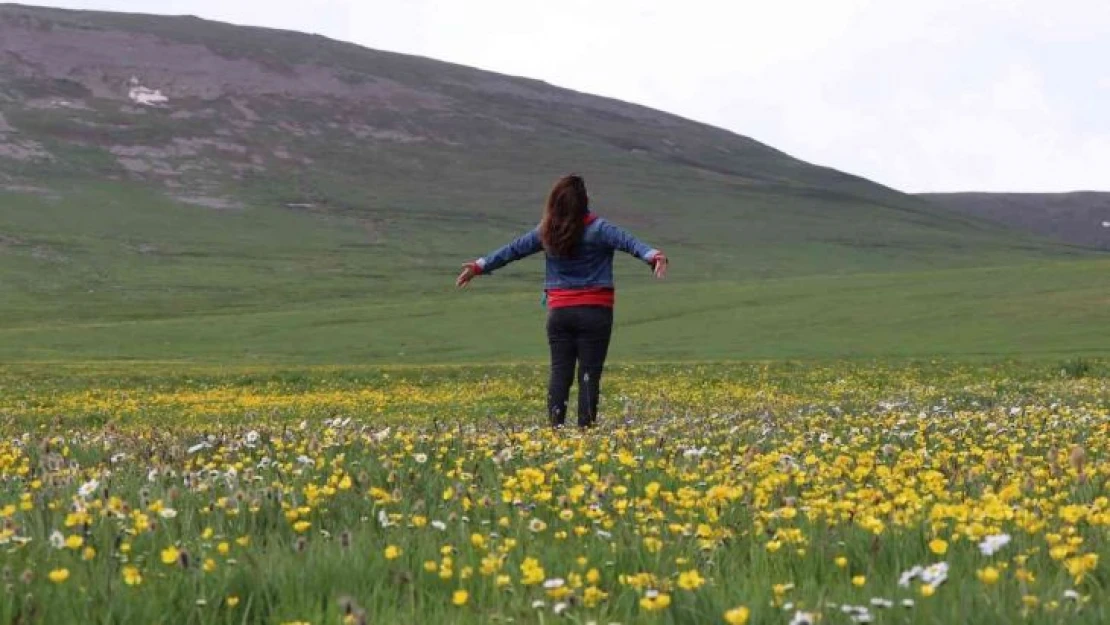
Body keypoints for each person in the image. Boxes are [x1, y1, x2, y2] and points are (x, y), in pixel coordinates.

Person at [456, 174, 667, 428]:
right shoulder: (600, 229)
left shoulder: (546, 231)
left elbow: (512, 250)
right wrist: (653, 256)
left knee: (560, 373)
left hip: (559, 313)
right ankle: (586, 432)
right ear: (584, 201)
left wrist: (479, 266)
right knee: (589, 374)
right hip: (595, 312)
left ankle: (555, 430)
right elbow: (632, 244)